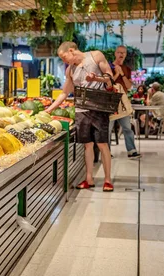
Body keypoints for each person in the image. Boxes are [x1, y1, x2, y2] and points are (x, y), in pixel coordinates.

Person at [44, 42, 115, 192]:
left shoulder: (96, 56)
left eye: (64, 57)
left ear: (71, 50)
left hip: (99, 108)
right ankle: (89, 178)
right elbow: (64, 92)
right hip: (81, 110)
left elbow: (110, 77)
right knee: (87, 144)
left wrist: (96, 79)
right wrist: (49, 110)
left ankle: (107, 179)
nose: (64, 61)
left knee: (102, 144)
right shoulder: (70, 70)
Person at [109, 45, 140, 159]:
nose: (121, 55)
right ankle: (107, 152)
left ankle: (131, 150)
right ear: (115, 53)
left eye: (123, 53)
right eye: (119, 52)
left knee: (127, 127)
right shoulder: (108, 66)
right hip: (110, 101)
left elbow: (128, 86)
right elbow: (107, 83)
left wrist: (122, 73)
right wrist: (116, 73)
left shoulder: (127, 69)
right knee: (108, 128)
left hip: (123, 102)